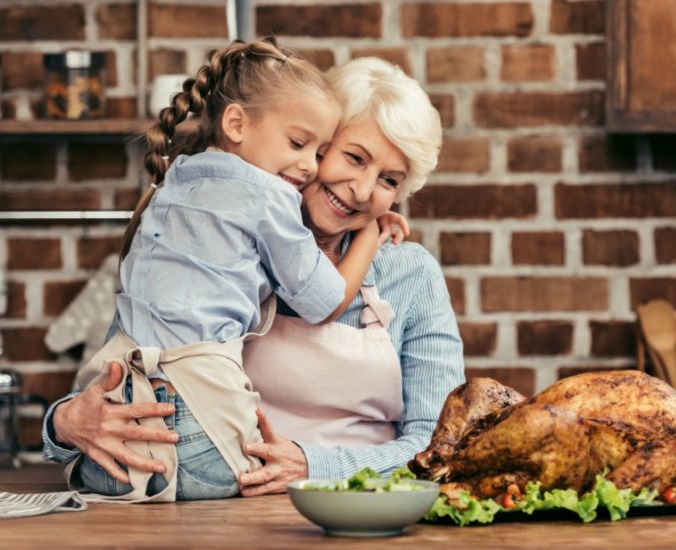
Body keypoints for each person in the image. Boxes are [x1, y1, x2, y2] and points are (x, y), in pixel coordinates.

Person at [43, 56, 465, 498]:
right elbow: (131, 363)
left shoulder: (409, 273)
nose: (361, 190)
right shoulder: (209, 243)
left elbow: (440, 447)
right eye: (352, 157)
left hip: (356, 510)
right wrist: (65, 424)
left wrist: (315, 465)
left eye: (389, 180)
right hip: (223, 512)